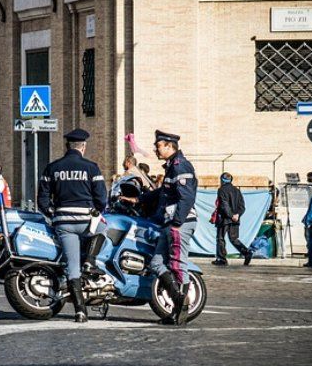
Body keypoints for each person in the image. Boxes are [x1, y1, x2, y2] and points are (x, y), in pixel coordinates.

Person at [119, 130, 198, 326]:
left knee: (178, 264)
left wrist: (177, 223)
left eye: (159, 146)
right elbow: (161, 193)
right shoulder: (171, 168)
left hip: (180, 223)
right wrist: (137, 199)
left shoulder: (181, 166)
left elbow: (186, 197)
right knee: (156, 264)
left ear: (170, 147)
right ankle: (178, 302)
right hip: (168, 222)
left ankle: (181, 309)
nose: (155, 149)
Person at [38, 128, 108, 324]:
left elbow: (42, 199)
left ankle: (80, 311)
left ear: (67, 146)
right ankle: (91, 260)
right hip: (86, 221)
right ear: (83, 147)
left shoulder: (52, 168)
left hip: (63, 223)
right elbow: (102, 198)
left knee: (72, 267)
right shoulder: (91, 168)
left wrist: (52, 213)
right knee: (104, 229)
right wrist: (98, 209)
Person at [212, 172, 252, 266]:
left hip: (225, 219)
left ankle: (222, 259)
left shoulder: (221, 190)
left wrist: (230, 215)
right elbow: (242, 206)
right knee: (234, 239)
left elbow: (224, 204)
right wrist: (237, 215)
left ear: (222, 180)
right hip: (235, 219)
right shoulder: (237, 190)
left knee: (220, 238)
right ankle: (247, 253)